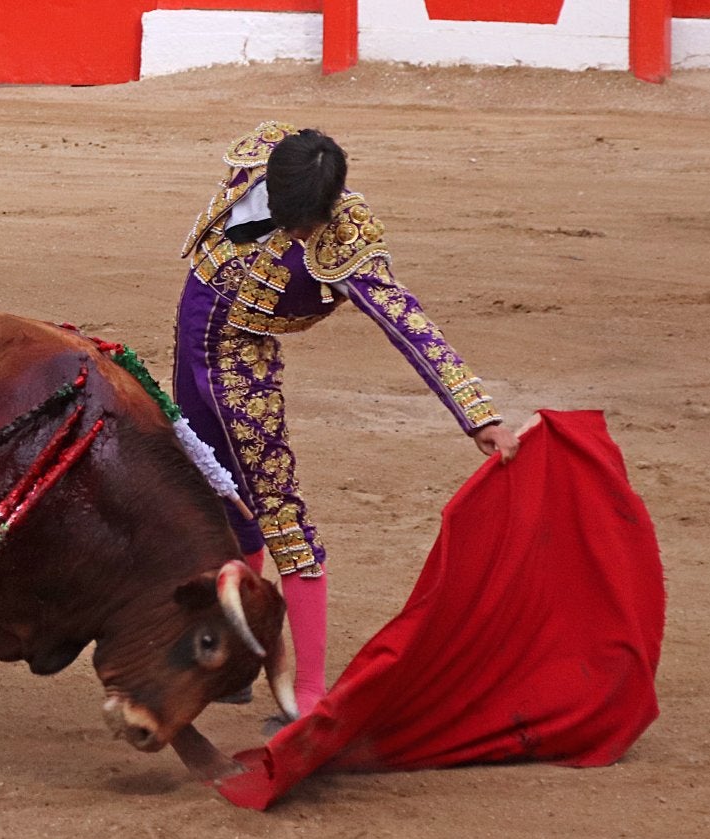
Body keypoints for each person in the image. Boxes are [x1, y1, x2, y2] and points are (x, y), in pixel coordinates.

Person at [171, 121, 519, 725]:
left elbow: (406, 322)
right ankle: (234, 660)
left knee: (281, 517)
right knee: (215, 500)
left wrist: (477, 415)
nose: (301, 233)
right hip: (189, 347)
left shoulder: (347, 240)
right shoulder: (258, 158)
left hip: (242, 373)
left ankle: (309, 693)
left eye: (309, 221)